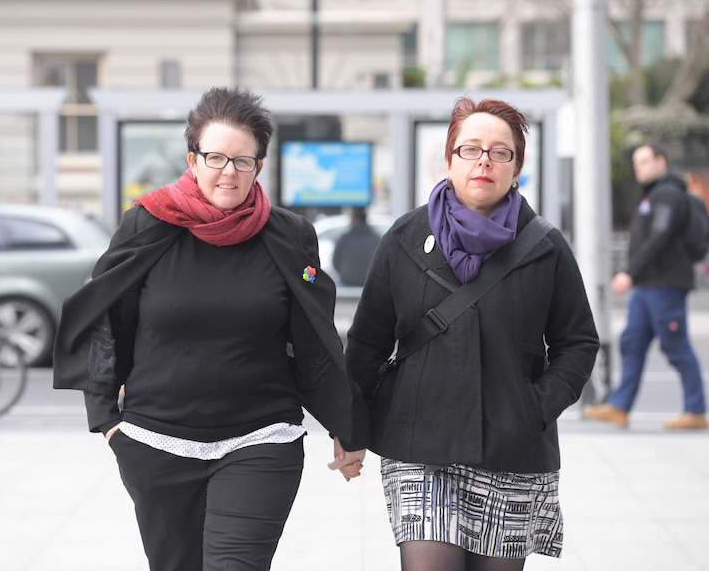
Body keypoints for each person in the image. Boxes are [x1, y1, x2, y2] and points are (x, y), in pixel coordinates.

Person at [53, 87, 368, 571]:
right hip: (157, 442)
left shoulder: (290, 236)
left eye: (244, 161)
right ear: (192, 159)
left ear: (259, 167)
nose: (229, 171)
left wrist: (345, 423)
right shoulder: (147, 224)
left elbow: (313, 340)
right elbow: (109, 321)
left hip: (261, 439)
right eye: (216, 157)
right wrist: (107, 422)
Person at [340, 97, 599, 571]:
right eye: (470, 149)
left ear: (517, 167)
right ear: (448, 160)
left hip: (512, 447)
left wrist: (535, 407)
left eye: (500, 152)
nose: (484, 160)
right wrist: (350, 427)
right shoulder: (403, 237)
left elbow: (578, 342)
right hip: (418, 446)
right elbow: (367, 343)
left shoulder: (544, 245)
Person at [584, 143, 708, 430]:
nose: (638, 166)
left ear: (661, 161)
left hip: (664, 284)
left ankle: (696, 410)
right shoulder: (654, 194)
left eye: (644, 161)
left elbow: (660, 236)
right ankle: (619, 406)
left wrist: (629, 272)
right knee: (632, 342)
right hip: (646, 285)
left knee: (675, 346)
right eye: (636, 162)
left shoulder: (667, 195)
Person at [332, 207, 382, 286]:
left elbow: (336, 262)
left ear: (355, 219)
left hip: (347, 281)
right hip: (369, 284)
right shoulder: (376, 239)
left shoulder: (345, 238)